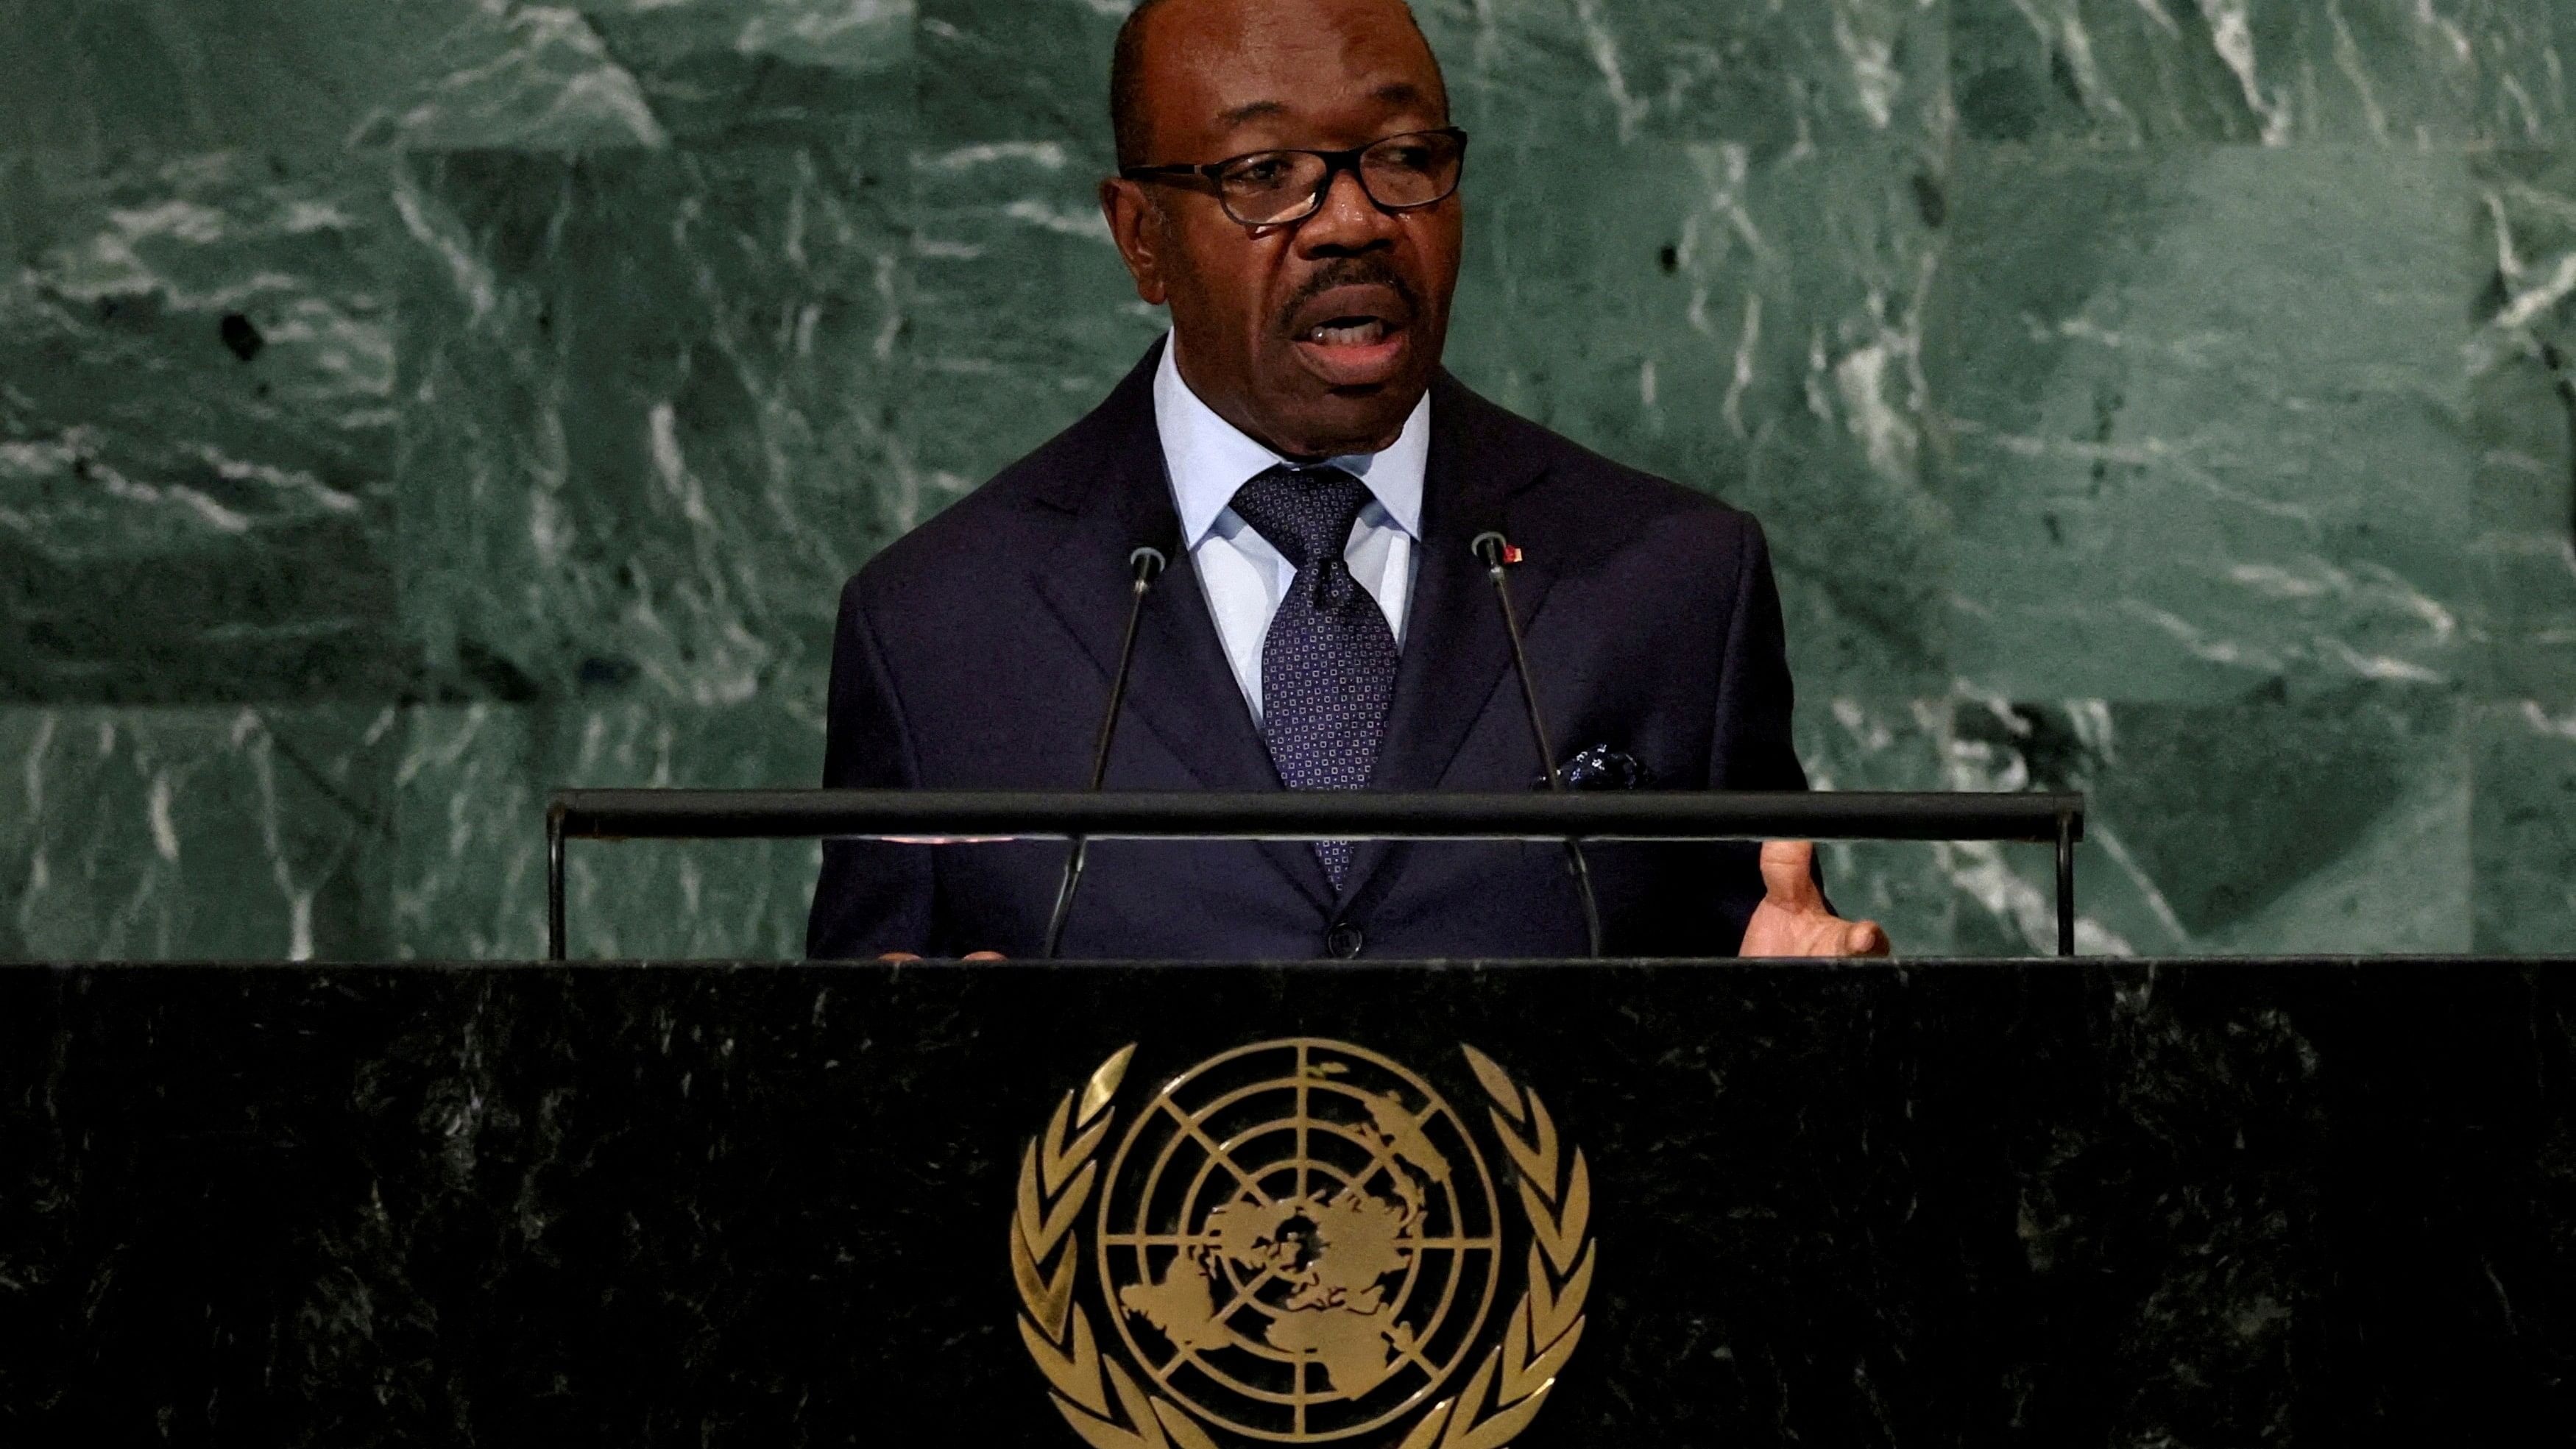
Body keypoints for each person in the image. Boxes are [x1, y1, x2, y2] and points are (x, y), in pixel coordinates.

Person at [806, 0, 1889, 961]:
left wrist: (1809, 1033)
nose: (1355, 220)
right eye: (1265, 175)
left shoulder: (1675, 583)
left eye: (1405, 156)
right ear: (1143, 239)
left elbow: (1760, 1010)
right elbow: (850, 1117)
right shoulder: (936, 629)